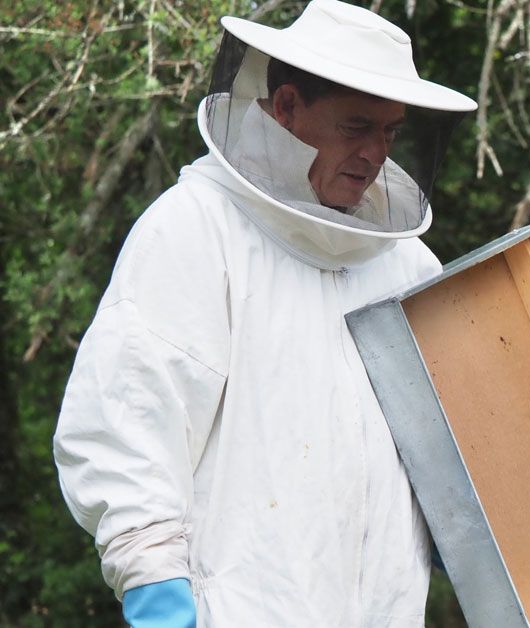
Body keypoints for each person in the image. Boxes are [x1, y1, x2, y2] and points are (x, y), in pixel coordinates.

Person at [52, 1, 476, 625]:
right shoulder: (194, 231)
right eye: (356, 125)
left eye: (390, 132)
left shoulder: (408, 266)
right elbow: (126, 427)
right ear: (286, 107)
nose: (374, 154)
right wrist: (154, 588)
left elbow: (444, 451)